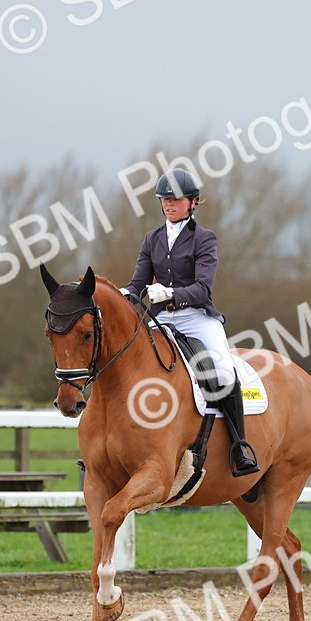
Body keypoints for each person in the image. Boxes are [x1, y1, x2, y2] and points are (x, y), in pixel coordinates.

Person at [121, 168, 259, 477]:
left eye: (175, 200)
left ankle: (240, 446)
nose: (169, 204)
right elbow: (137, 283)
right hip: (160, 319)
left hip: (196, 316)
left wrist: (170, 293)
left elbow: (202, 288)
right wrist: (123, 295)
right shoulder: (152, 239)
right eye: (164, 200)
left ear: (192, 202)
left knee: (222, 372)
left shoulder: (204, 239)